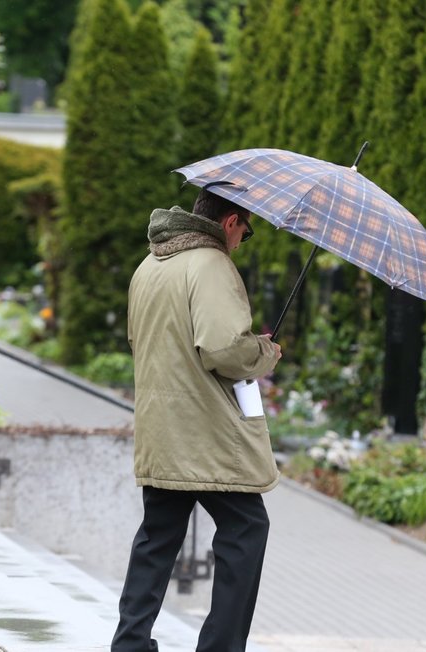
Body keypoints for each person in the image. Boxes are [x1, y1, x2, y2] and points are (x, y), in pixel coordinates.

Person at [112, 188, 282, 652]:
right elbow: (223, 349)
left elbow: (140, 340)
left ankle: (129, 644)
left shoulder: (150, 265)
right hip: (206, 432)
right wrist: (264, 352)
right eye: (245, 233)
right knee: (247, 529)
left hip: (161, 427)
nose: (241, 242)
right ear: (231, 222)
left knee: (157, 537)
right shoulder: (210, 264)